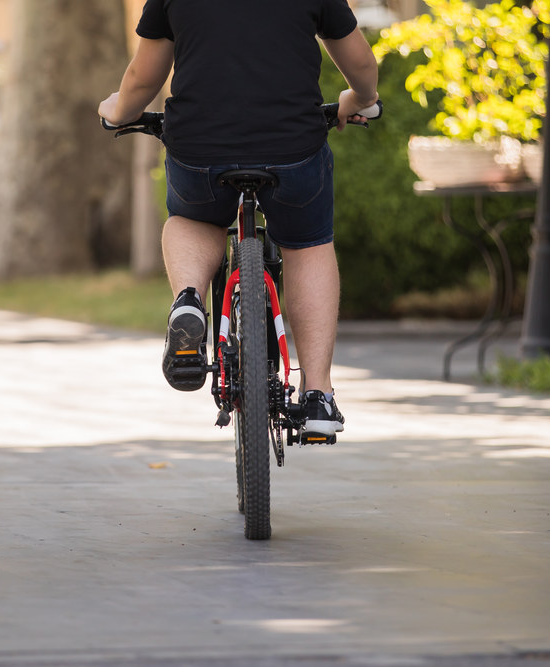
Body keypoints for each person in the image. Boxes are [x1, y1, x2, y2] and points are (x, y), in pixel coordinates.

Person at [98, 0, 378, 443]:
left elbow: (141, 79)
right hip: (293, 151)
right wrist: (358, 100)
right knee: (307, 243)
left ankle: (190, 299)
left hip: (199, 151)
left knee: (192, 218)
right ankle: (318, 396)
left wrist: (118, 111)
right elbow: (360, 63)